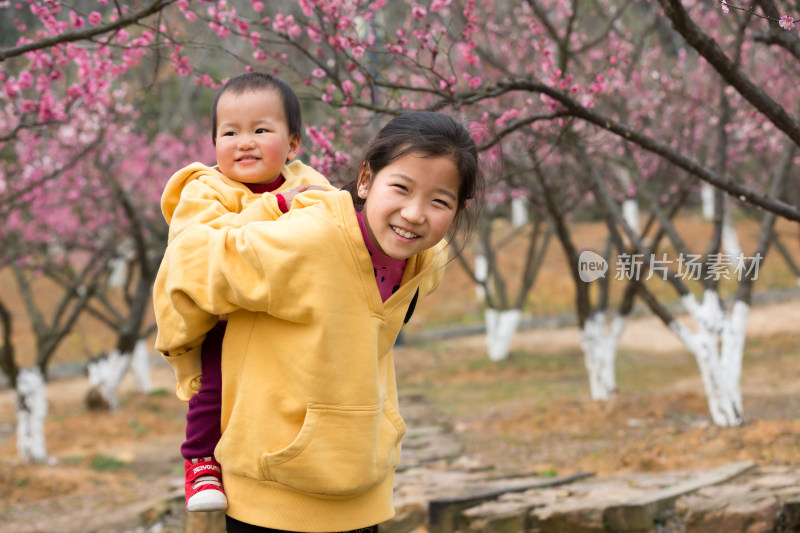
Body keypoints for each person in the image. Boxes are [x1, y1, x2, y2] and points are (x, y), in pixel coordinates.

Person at [154, 111, 484, 532]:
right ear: (366, 180)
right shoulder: (308, 239)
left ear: (458, 210)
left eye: (440, 201)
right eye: (401, 187)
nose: (415, 213)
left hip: (362, 490)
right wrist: (186, 353)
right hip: (272, 498)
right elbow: (188, 268)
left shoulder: (427, 260)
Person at [161, 72, 333, 513]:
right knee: (213, 386)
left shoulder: (307, 183)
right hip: (222, 317)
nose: (244, 142)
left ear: (293, 144)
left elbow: (331, 227)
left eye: (260, 130)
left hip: (281, 315)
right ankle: (199, 460)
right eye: (230, 132)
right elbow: (198, 245)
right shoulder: (203, 189)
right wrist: (274, 207)